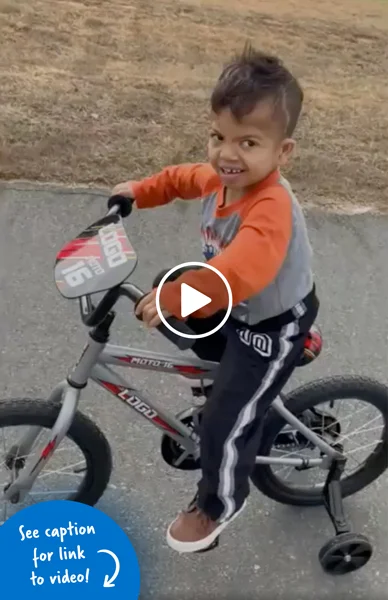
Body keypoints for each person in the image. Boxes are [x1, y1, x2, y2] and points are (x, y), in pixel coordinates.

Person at [111, 43, 319, 554]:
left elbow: (243, 268)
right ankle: (225, 371)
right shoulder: (225, 176)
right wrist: (138, 192)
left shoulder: (271, 205)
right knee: (168, 284)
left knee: (223, 423)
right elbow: (182, 178)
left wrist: (182, 297)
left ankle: (217, 505)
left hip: (270, 325)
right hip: (235, 303)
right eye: (218, 136)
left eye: (248, 142)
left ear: (282, 152)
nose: (227, 153)